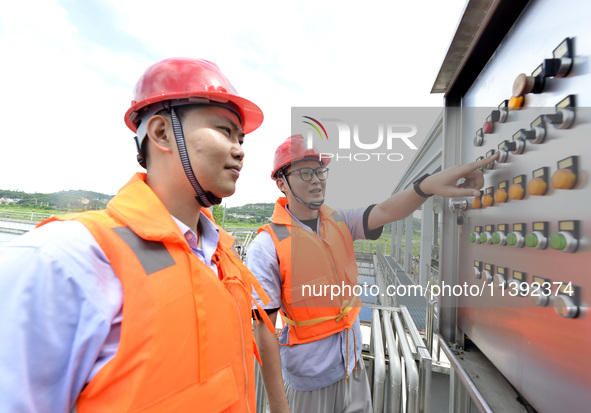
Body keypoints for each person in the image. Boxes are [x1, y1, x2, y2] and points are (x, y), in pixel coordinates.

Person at [0, 57, 273, 412]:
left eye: (241, 137)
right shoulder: (64, 259)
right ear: (161, 133)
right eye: (224, 131)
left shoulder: (221, 255)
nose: (240, 150)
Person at [247, 134, 497, 413]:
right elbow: (264, 331)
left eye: (319, 170)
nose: (316, 179)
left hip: (353, 367)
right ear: (281, 182)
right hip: (309, 380)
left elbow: (386, 211)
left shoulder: (340, 220)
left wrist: (426, 186)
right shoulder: (267, 245)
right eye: (305, 172)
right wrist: (279, 407)